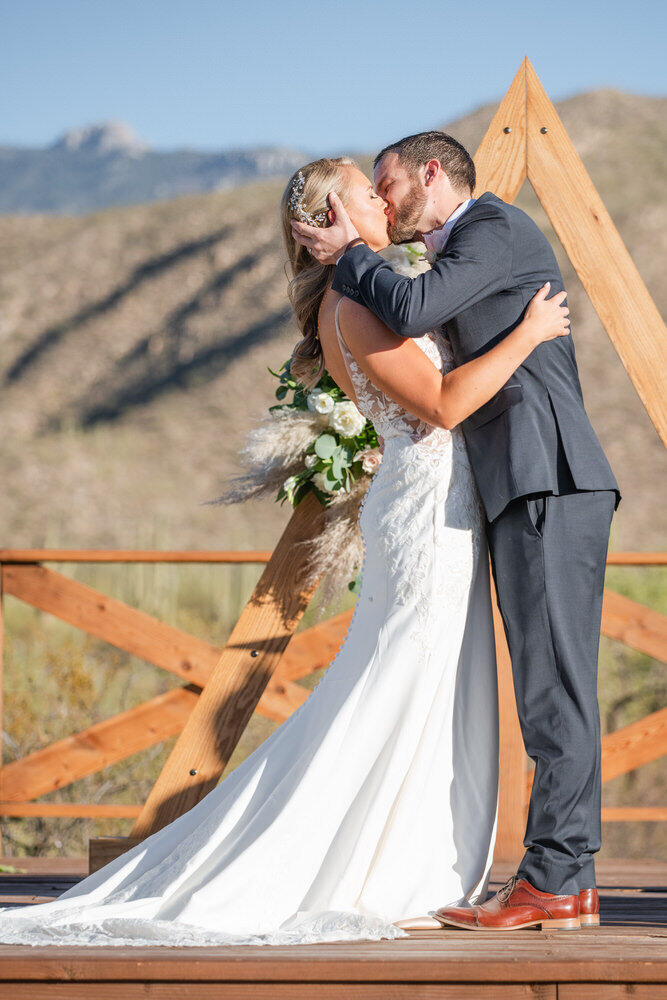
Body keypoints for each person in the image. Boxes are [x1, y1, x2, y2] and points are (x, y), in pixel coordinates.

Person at [0, 155, 570, 948]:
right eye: (366, 193)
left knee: (423, 677)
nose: (383, 198)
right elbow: (440, 405)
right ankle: (347, 861)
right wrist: (528, 334)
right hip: (427, 509)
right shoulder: (356, 304)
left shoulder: (367, 293)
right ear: (334, 221)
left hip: (441, 503)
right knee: (398, 677)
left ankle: (409, 854)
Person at [291, 132, 620, 932]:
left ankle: (555, 874)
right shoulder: (441, 256)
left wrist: (347, 253)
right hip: (516, 483)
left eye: (386, 181)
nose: (381, 194)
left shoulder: (492, 230)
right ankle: (560, 877)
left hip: (549, 477)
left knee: (553, 682)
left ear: (429, 173)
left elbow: (411, 311)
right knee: (544, 680)